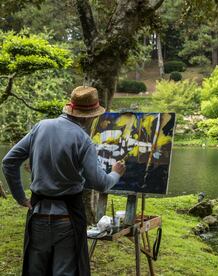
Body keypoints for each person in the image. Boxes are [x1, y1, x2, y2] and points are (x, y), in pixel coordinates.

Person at [1, 86, 126, 276]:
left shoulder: (41, 127)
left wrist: (20, 197)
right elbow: (100, 183)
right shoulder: (83, 140)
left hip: (37, 216)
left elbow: (9, 162)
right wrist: (116, 173)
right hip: (67, 219)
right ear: (89, 116)